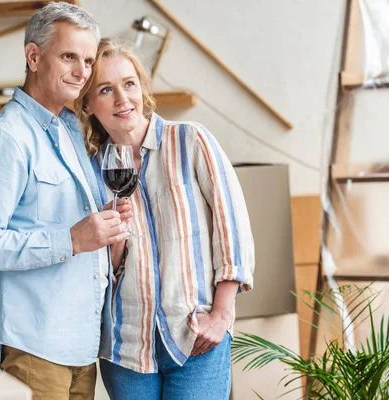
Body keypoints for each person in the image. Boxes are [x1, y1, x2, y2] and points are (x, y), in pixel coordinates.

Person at [0, 4, 130, 399]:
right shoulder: (7, 138)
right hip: (35, 349)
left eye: (87, 60)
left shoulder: (69, 128)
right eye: (69, 56)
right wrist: (70, 239)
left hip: (83, 346)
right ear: (33, 57)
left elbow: (66, 223)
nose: (81, 71)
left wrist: (101, 221)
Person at [74, 37, 255, 399]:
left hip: (195, 335)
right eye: (106, 90)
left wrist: (220, 316)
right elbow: (100, 271)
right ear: (89, 104)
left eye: (129, 84)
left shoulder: (191, 141)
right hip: (126, 347)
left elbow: (232, 231)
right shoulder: (91, 170)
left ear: (142, 88)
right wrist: (114, 238)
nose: (122, 99)